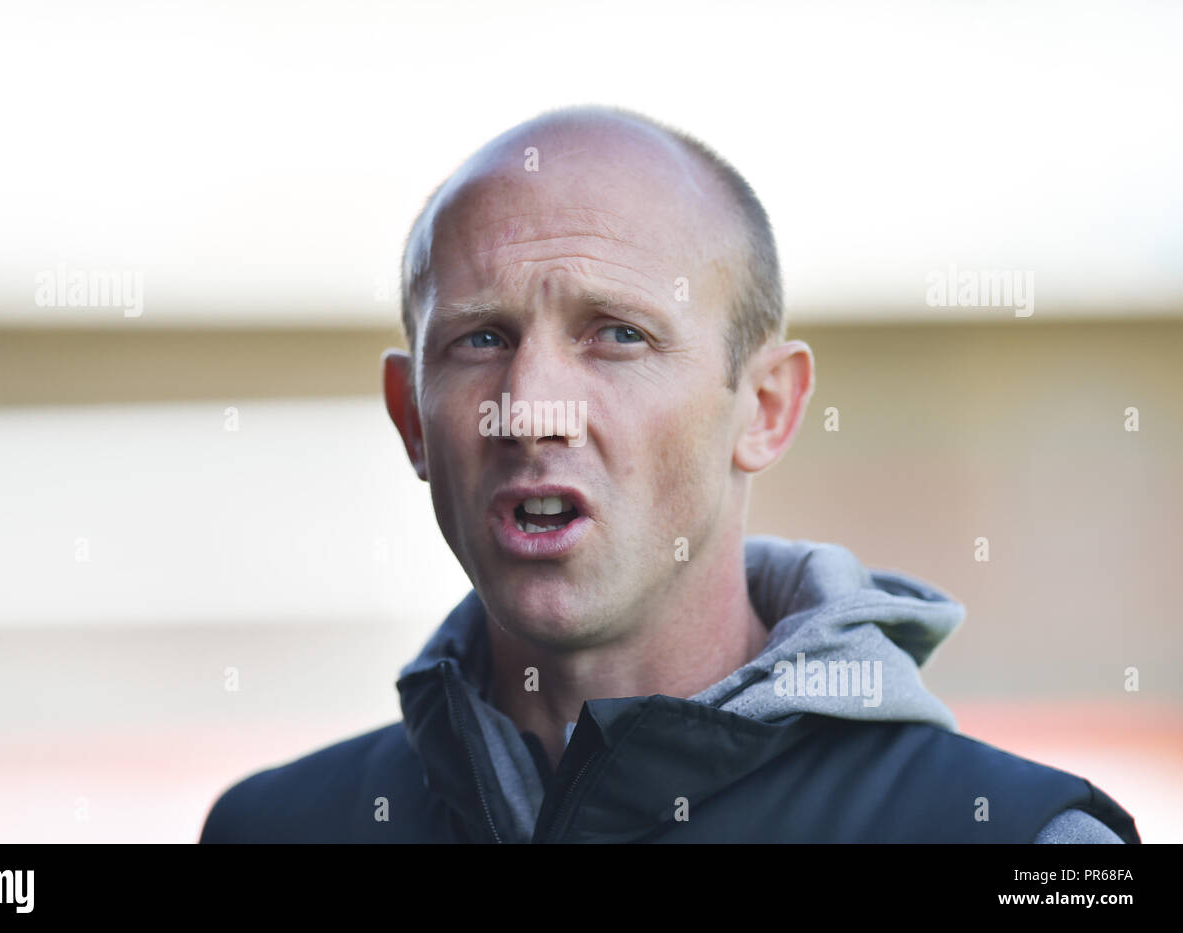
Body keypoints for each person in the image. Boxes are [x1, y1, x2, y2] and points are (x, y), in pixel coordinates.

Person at [200, 106, 1139, 843]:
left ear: (765, 409)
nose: (530, 406)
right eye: (481, 337)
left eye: (618, 335)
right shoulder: (272, 831)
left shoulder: (1022, 844)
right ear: (411, 418)